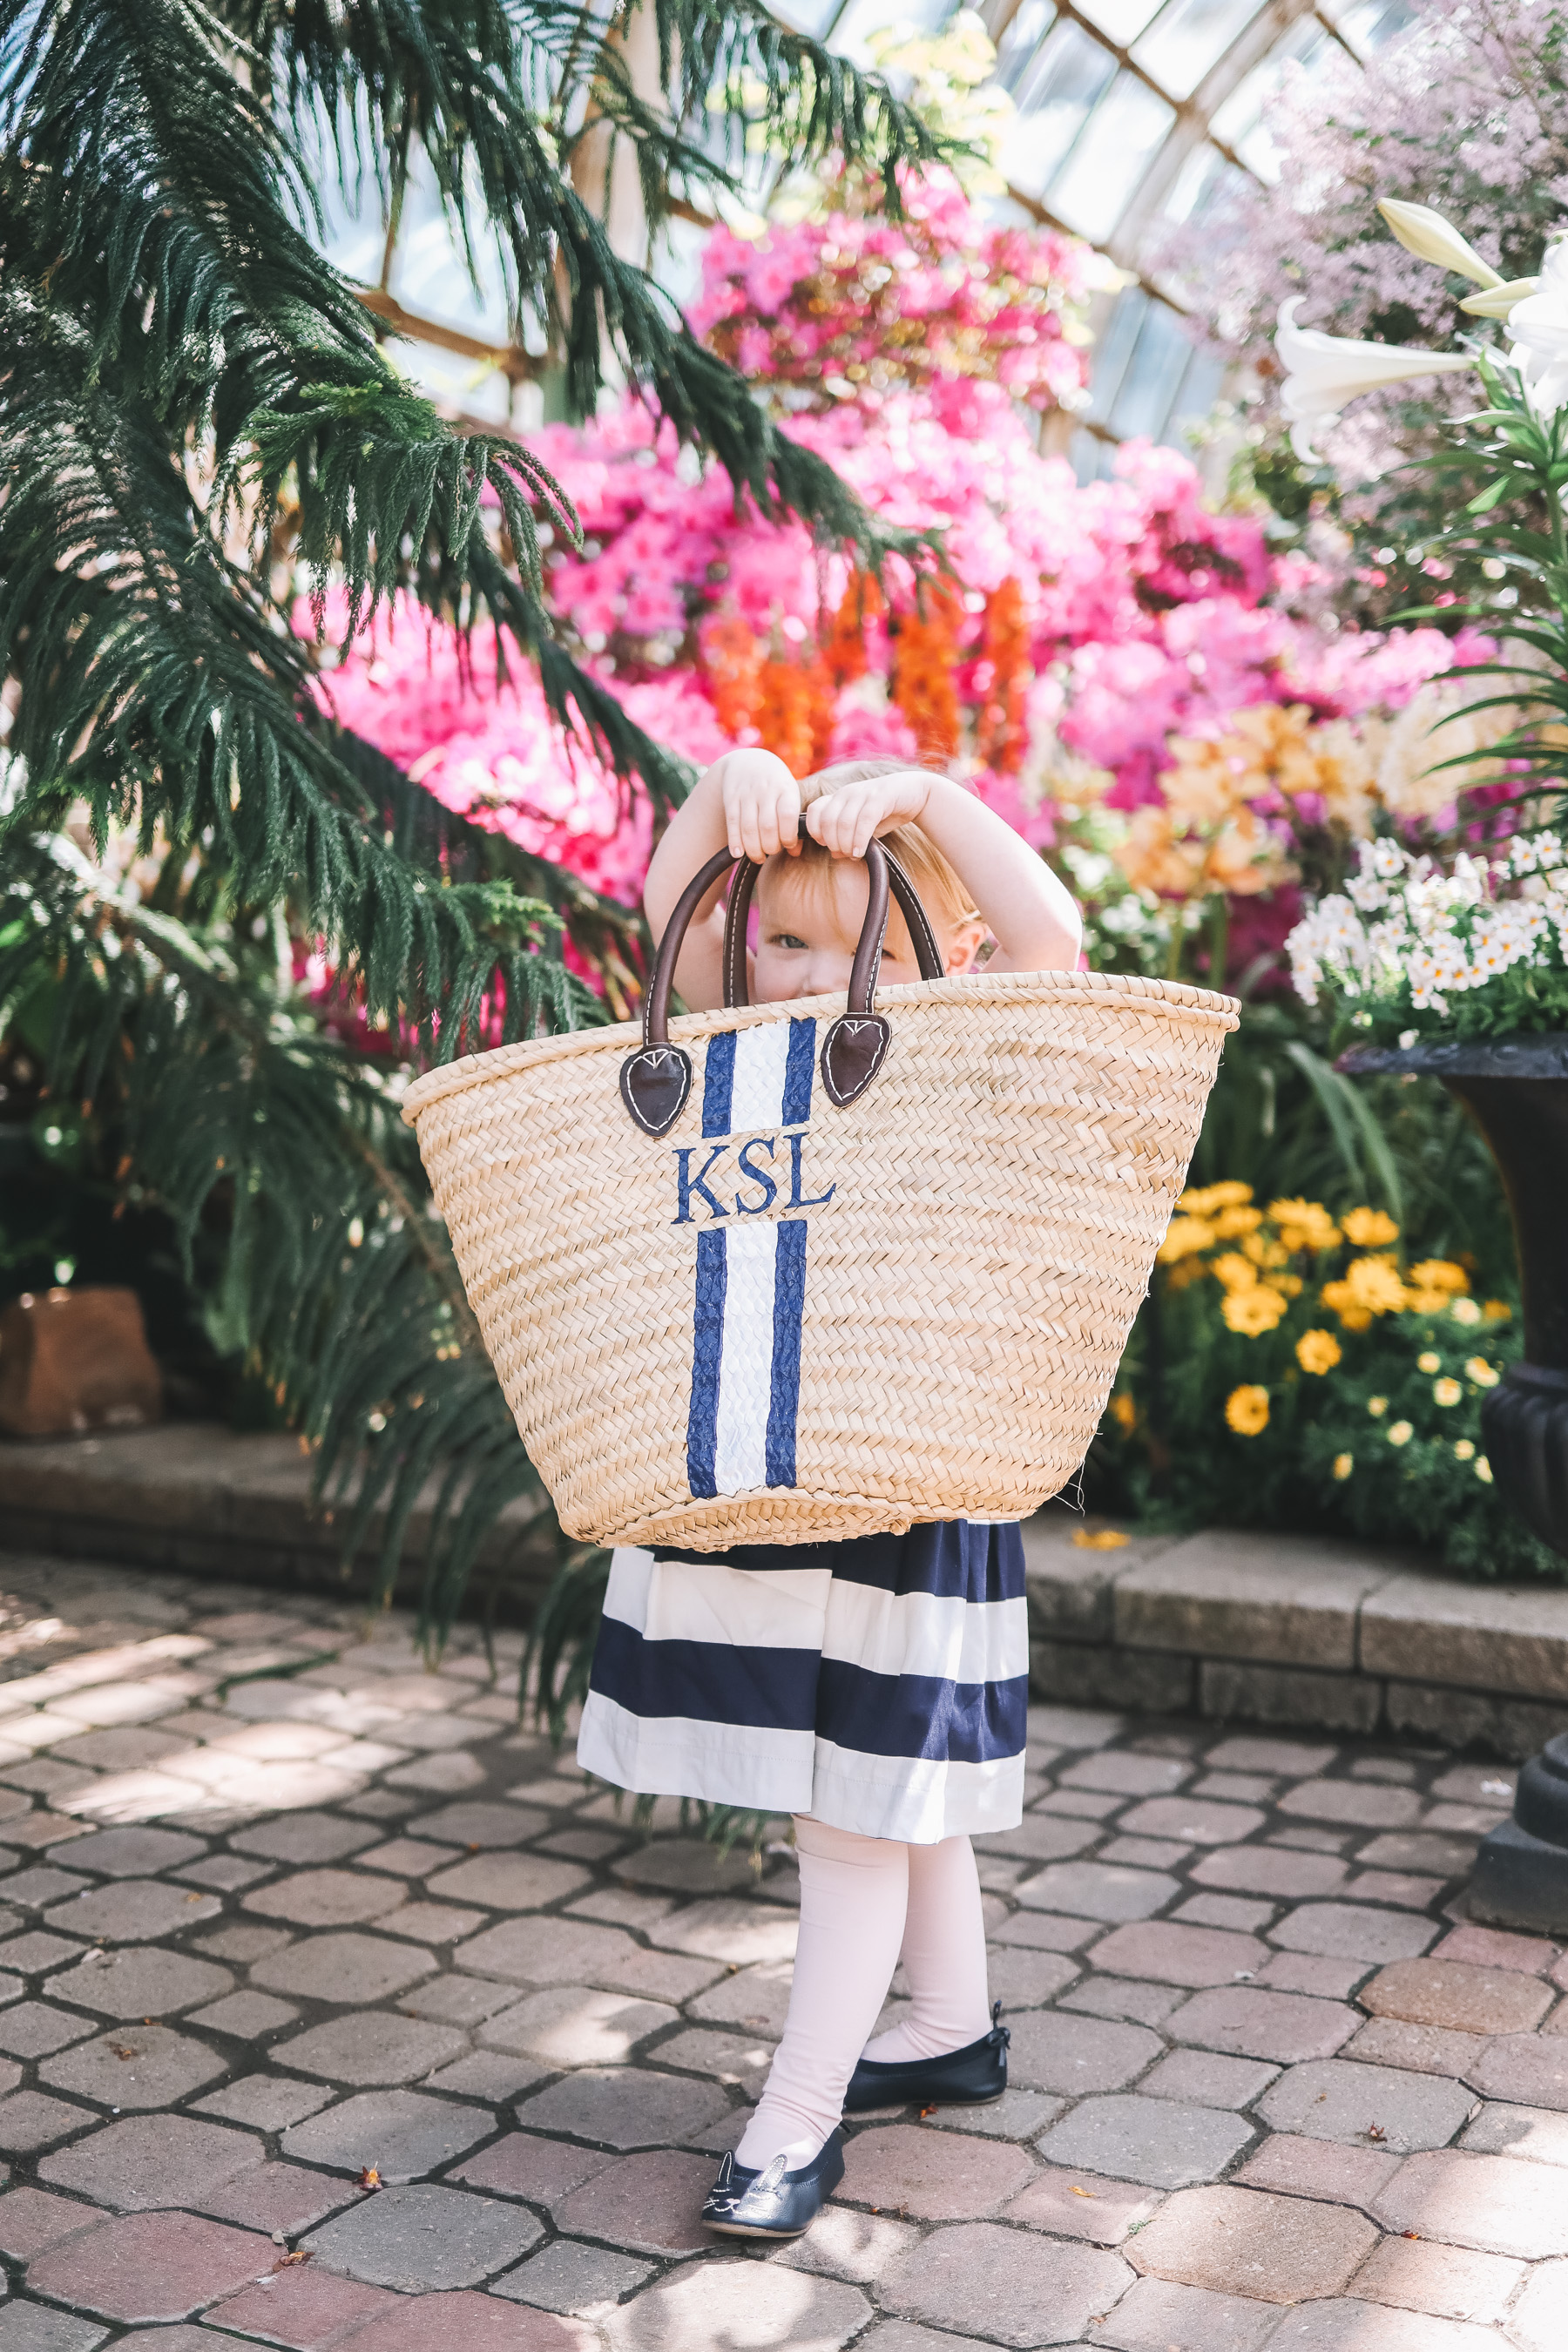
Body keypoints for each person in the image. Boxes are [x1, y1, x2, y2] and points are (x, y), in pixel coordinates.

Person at [577, 747, 1083, 2240]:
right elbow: (662, 899)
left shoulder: (968, 1048)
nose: (809, 975)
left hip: (906, 1483)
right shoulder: (725, 1057)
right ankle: (952, 2026)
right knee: (877, 1778)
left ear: (947, 949)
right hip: (760, 1457)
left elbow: (1052, 936)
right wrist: (723, 783)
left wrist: (929, 795)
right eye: (784, 938)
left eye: (854, 939)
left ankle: (793, 2123)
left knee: (852, 1809)